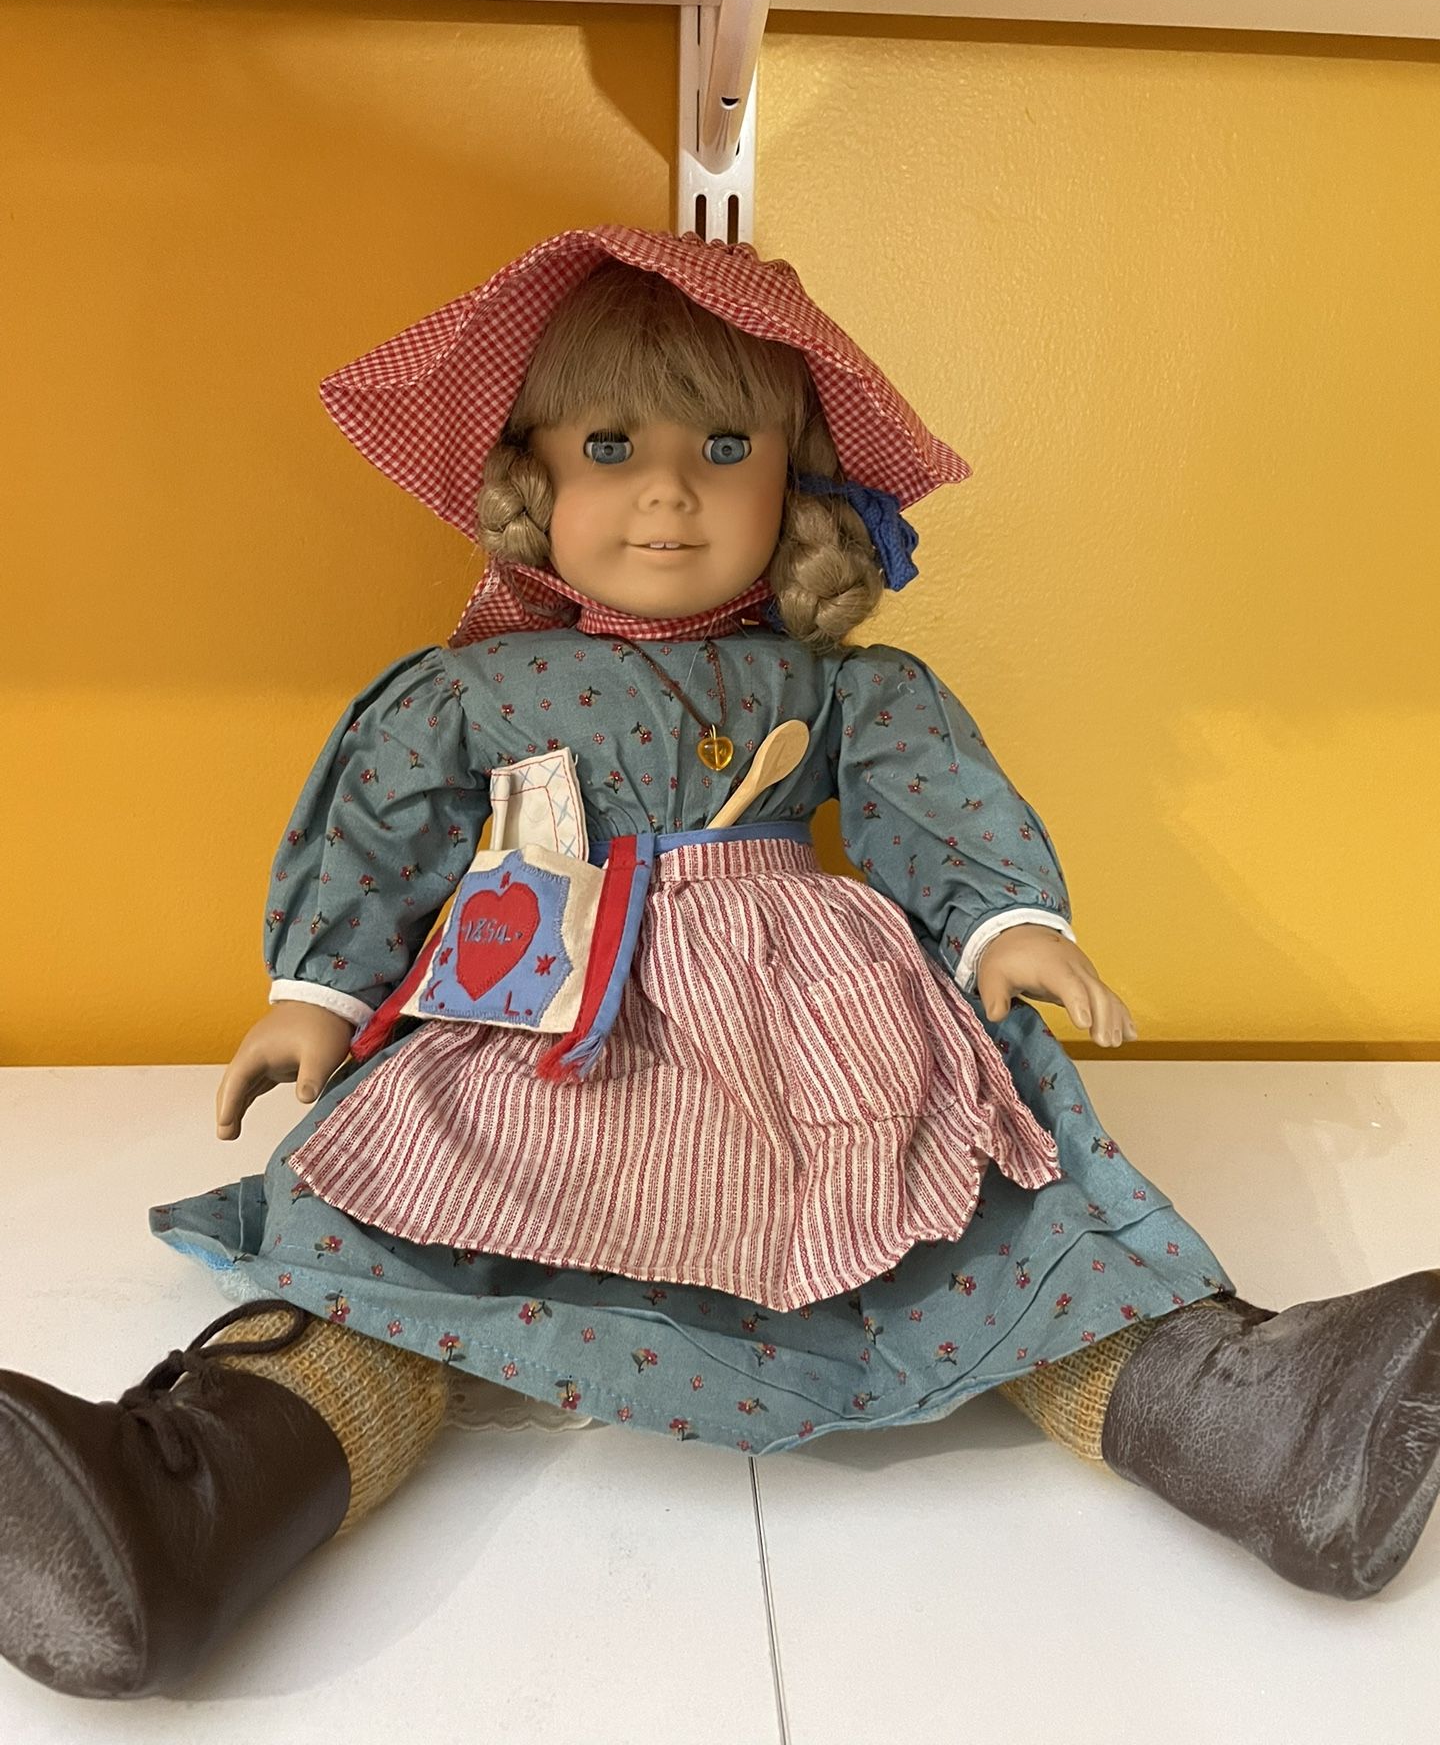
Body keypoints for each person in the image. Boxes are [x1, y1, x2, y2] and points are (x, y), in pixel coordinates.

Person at [3, 229, 1437, 1703]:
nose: (668, 493)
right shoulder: (467, 690)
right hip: (545, 1025)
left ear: (793, 487)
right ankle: (187, 1515)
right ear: (533, 477)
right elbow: (384, 826)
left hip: (810, 1015)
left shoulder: (841, 685)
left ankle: (1257, 1431)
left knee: (983, 1208)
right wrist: (316, 994)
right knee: (395, 1228)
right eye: (610, 446)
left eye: (726, 449)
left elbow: (933, 796)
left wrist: (1011, 924)